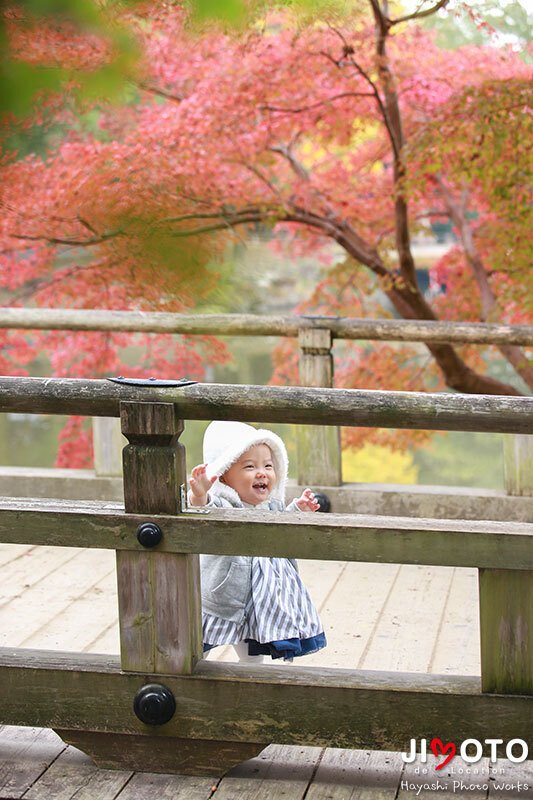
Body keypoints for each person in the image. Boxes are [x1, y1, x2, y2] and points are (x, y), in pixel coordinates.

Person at [188, 420, 327, 663]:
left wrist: (298, 510)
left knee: (253, 655)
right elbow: (202, 509)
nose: (262, 472)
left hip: (260, 600)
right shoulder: (224, 505)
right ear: (224, 475)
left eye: (268, 465)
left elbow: (281, 530)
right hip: (224, 596)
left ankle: (251, 688)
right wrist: (199, 493)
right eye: (249, 466)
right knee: (198, 650)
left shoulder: (271, 505)